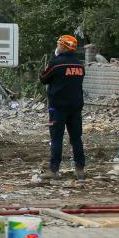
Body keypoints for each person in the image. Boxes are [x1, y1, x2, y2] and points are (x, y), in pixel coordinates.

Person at [39, 34, 86, 180]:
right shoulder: (79, 65)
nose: (57, 47)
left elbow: (43, 78)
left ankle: (54, 170)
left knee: (57, 138)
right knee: (76, 138)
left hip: (58, 108)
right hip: (76, 107)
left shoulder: (56, 63)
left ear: (64, 47)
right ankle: (80, 170)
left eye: (59, 44)